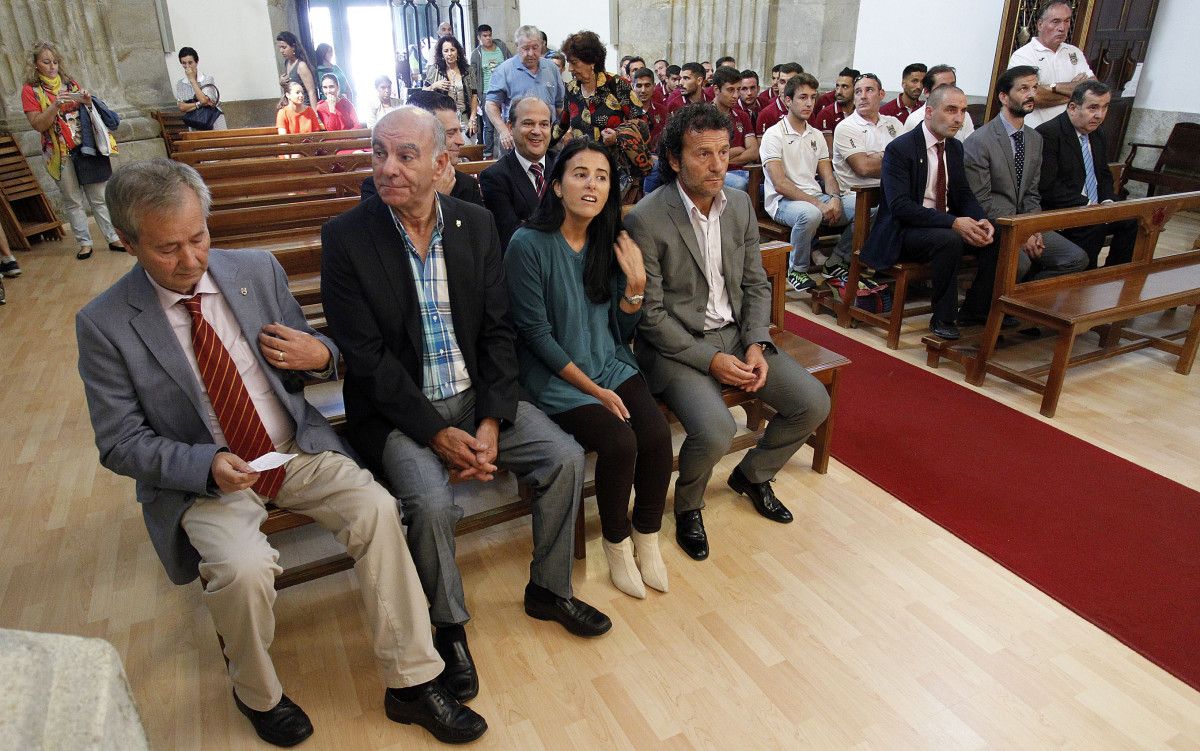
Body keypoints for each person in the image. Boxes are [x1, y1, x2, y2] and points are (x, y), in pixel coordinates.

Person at [76, 158, 487, 747]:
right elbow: (119, 441)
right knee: (243, 569)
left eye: (199, 237)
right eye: (168, 250)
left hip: (292, 448)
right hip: (208, 475)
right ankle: (258, 693)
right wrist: (207, 465)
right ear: (127, 240)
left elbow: (318, 351)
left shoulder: (253, 271)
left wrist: (320, 357)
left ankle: (412, 683)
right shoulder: (105, 323)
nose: (192, 260)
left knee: (376, 509)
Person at [321, 108, 612, 701]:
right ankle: (448, 626)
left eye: (405, 154)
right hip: (401, 415)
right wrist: (437, 434)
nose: (388, 167)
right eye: (379, 153)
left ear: (441, 164)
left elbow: (498, 333)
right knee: (428, 501)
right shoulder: (348, 237)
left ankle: (549, 589)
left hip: (476, 398)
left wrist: (489, 420)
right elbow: (368, 359)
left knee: (562, 457)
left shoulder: (474, 224)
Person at [625, 103, 832, 561]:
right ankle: (689, 505)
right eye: (703, 154)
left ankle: (753, 475)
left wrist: (757, 344)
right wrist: (712, 360)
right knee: (717, 430)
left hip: (739, 335)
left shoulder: (738, 204)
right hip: (678, 347)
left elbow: (756, 284)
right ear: (676, 159)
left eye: (723, 152)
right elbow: (652, 317)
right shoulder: (647, 217)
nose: (718, 164)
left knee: (813, 402)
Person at [504, 140, 673, 598]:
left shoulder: (609, 236)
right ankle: (615, 546)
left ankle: (647, 537)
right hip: (555, 377)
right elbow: (535, 337)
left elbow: (620, 325)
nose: (592, 185)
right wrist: (595, 393)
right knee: (621, 442)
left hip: (609, 361)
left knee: (656, 438)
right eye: (580, 174)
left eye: (601, 176)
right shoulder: (528, 244)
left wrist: (636, 286)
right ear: (556, 186)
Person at [861, 86, 993, 341]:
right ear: (929, 112)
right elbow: (901, 207)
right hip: (904, 231)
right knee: (950, 239)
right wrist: (953, 222)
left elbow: (963, 193)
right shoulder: (901, 148)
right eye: (951, 110)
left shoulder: (954, 148)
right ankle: (943, 318)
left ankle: (976, 309)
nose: (959, 118)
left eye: (963, 111)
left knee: (994, 235)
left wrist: (980, 218)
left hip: (941, 224)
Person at [959, 66, 1088, 324]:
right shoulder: (980, 140)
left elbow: (1032, 191)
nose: (1031, 94)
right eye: (1023, 89)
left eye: (1034, 88)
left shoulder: (1034, 139)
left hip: (1025, 223)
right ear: (1004, 97)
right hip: (993, 224)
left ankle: (1020, 306)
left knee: (1074, 258)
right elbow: (981, 200)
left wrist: (1034, 227)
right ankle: (986, 312)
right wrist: (1022, 231)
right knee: (1019, 262)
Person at [21, 40, 123, 261]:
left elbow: (87, 111)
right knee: (73, 199)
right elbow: (38, 124)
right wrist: (55, 105)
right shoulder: (30, 91)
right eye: (46, 62)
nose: (52, 67)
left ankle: (112, 237)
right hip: (59, 153)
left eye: (55, 62)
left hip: (84, 147)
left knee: (98, 196)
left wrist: (86, 100)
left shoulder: (69, 83)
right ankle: (84, 243)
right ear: (36, 64)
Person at [761, 73, 854, 293]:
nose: (809, 103)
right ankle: (797, 269)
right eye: (803, 97)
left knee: (866, 208)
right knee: (810, 214)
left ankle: (837, 260)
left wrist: (834, 199)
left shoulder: (816, 135)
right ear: (787, 100)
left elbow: (828, 176)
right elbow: (780, 183)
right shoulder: (774, 135)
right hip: (782, 202)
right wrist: (820, 205)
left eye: (813, 97)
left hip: (814, 197)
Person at [1037, 80, 1136, 269]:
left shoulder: (1097, 134)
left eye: (1105, 107)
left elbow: (1103, 175)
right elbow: (1048, 186)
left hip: (1093, 207)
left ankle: (1113, 277)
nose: (1099, 115)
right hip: (1063, 209)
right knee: (1094, 226)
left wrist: (1107, 202)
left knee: (1130, 221)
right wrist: (1089, 205)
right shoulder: (1049, 133)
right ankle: (1083, 280)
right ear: (1073, 107)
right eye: (1093, 108)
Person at [827, 72, 902, 285]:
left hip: (887, 191)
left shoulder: (894, 124)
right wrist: (889, 159)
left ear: (881, 94)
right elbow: (864, 168)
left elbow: (907, 163)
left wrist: (879, 158)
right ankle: (837, 260)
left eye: (869, 90)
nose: (862, 96)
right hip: (853, 193)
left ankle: (885, 266)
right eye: (858, 91)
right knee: (875, 210)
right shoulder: (847, 127)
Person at [554, 31, 652, 195]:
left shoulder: (617, 85)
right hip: (583, 169)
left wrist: (617, 136)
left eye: (574, 63)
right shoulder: (571, 89)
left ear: (591, 61)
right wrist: (540, 142)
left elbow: (642, 123)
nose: (570, 68)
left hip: (616, 172)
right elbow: (562, 124)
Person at [361, 90, 483, 207]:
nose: (460, 141)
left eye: (459, 131)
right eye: (450, 133)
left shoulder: (466, 185)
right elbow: (383, 228)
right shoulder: (379, 185)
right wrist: (432, 198)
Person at [480, 96, 556, 251]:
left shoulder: (563, 165)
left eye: (544, 124)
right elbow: (513, 237)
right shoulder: (495, 177)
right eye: (528, 123)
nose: (537, 131)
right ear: (510, 127)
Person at [1009, 0, 1095, 129]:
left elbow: (1093, 88)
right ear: (1040, 25)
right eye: (1056, 21)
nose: (1062, 28)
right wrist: (1076, 94)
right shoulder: (1024, 56)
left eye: (1067, 21)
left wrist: (1052, 87)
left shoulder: (1074, 52)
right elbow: (1032, 97)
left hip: (1069, 132)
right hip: (1037, 131)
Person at [485, 25, 565, 156]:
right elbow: (491, 105)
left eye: (535, 48)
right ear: (517, 47)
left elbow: (559, 106)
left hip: (547, 142)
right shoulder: (504, 70)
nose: (531, 53)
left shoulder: (552, 68)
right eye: (525, 48)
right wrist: (503, 130)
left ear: (542, 45)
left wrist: (564, 132)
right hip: (516, 143)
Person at [711, 65, 759, 192]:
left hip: (745, 171)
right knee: (740, 184)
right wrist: (740, 149)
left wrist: (728, 157)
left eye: (738, 90)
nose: (736, 95)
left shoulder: (742, 116)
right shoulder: (704, 116)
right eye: (730, 90)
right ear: (716, 89)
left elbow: (754, 151)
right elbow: (713, 156)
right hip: (717, 174)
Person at [425, 35, 479, 142]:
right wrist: (434, 85)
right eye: (446, 51)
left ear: (458, 52)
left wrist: (473, 118)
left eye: (452, 50)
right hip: (443, 120)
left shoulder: (468, 70)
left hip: (465, 119)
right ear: (442, 53)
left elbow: (474, 95)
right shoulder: (435, 70)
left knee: (468, 151)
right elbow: (423, 93)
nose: (449, 54)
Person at [904, 65, 976, 141]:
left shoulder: (963, 115)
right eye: (943, 87)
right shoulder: (915, 120)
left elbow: (971, 145)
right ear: (927, 92)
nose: (950, 91)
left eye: (953, 85)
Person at [470, 24, 511, 157]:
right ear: (479, 37)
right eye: (485, 36)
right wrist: (478, 96)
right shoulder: (477, 54)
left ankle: (506, 152)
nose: (488, 38)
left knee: (506, 121)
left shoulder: (501, 47)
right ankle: (488, 154)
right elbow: (474, 76)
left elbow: (510, 63)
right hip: (487, 91)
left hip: (504, 90)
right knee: (489, 125)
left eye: (489, 35)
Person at [174, 47, 227, 131]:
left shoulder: (207, 79)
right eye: (184, 63)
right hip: (195, 122)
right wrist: (199, 104)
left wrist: (192, 80)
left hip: (213, 120)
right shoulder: (181, 84)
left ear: (196, 62)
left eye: (190, 62)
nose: (187, 66)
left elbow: (205, 100)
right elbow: (182, 107)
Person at [755, 62, 802, 136]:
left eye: (790, 83)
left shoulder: (806, 111)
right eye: (782, 82)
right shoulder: (766, 114)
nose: (785, 87)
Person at [275, 31, 318, 109]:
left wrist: (315, 114)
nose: (281, 51)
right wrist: (282, 83)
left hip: (304, 107)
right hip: (293, 107)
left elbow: (311, 91)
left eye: (284, 47)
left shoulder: (301, 66)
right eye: (280, 48)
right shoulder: (287, 62)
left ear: (293, 47)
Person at [811, 67, 857, 132]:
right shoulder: (826, 114)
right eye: (837, 86)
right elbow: (827, 142)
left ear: (856, 89)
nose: (839, 92)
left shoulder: (863, 112)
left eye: (845, 87)